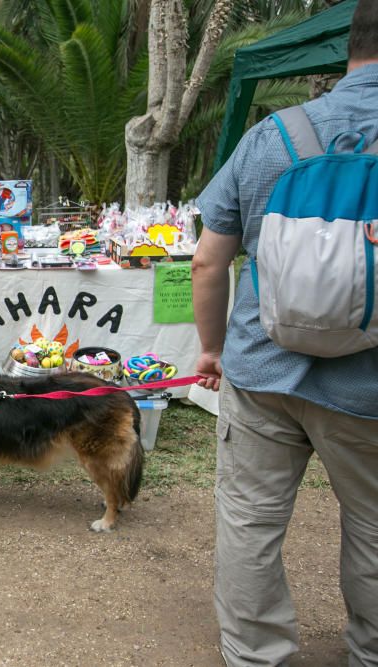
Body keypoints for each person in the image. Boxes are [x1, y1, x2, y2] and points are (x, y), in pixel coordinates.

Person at [191, 5, 378, 665]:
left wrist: (212, 350)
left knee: (249, 523)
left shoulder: (275, 135)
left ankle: (256, 653)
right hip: (369, 389)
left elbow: (209, 259)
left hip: (262, 370)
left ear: (348, 48)